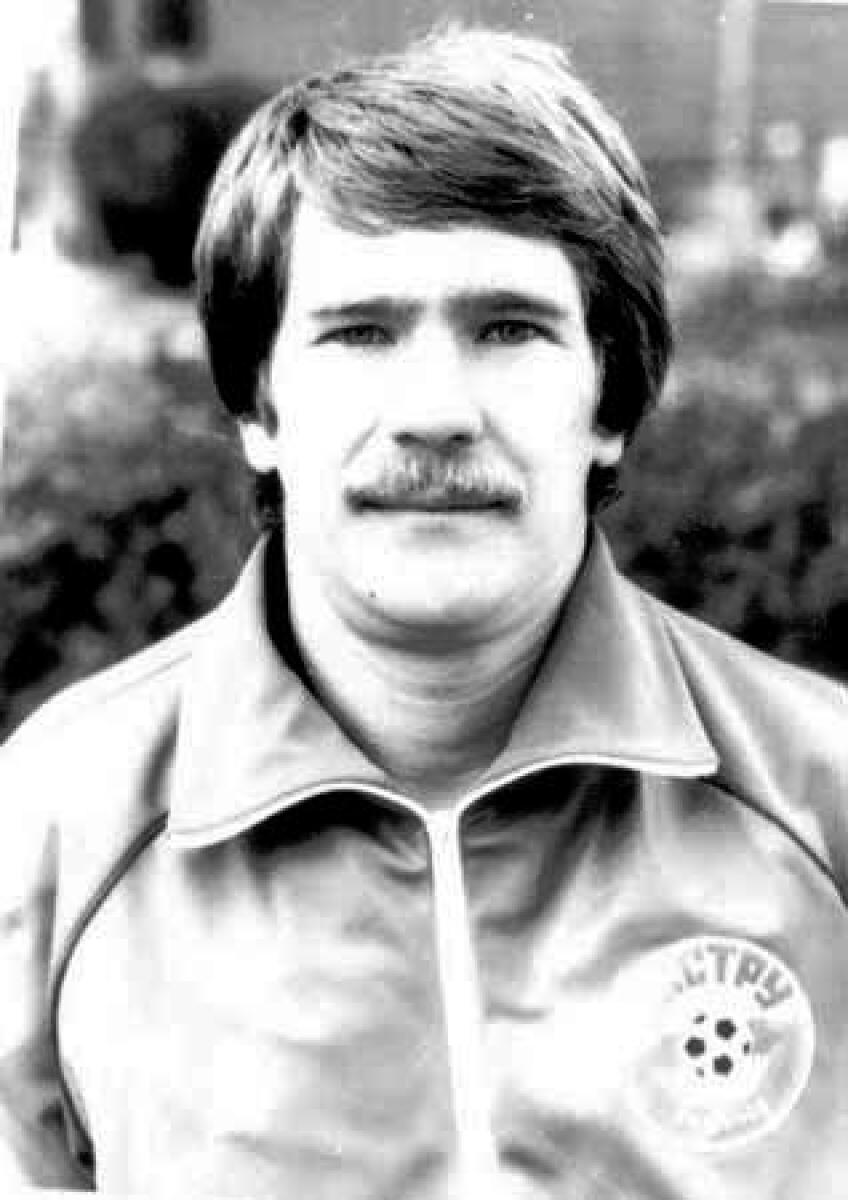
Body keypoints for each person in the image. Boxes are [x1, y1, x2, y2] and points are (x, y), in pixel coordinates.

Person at [1, 25, 846, 1200]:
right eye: (360, 331)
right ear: (259, 409)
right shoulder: (47, 833)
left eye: (508, 329)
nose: (435, 411)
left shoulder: (821, 798)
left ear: (607, 402)